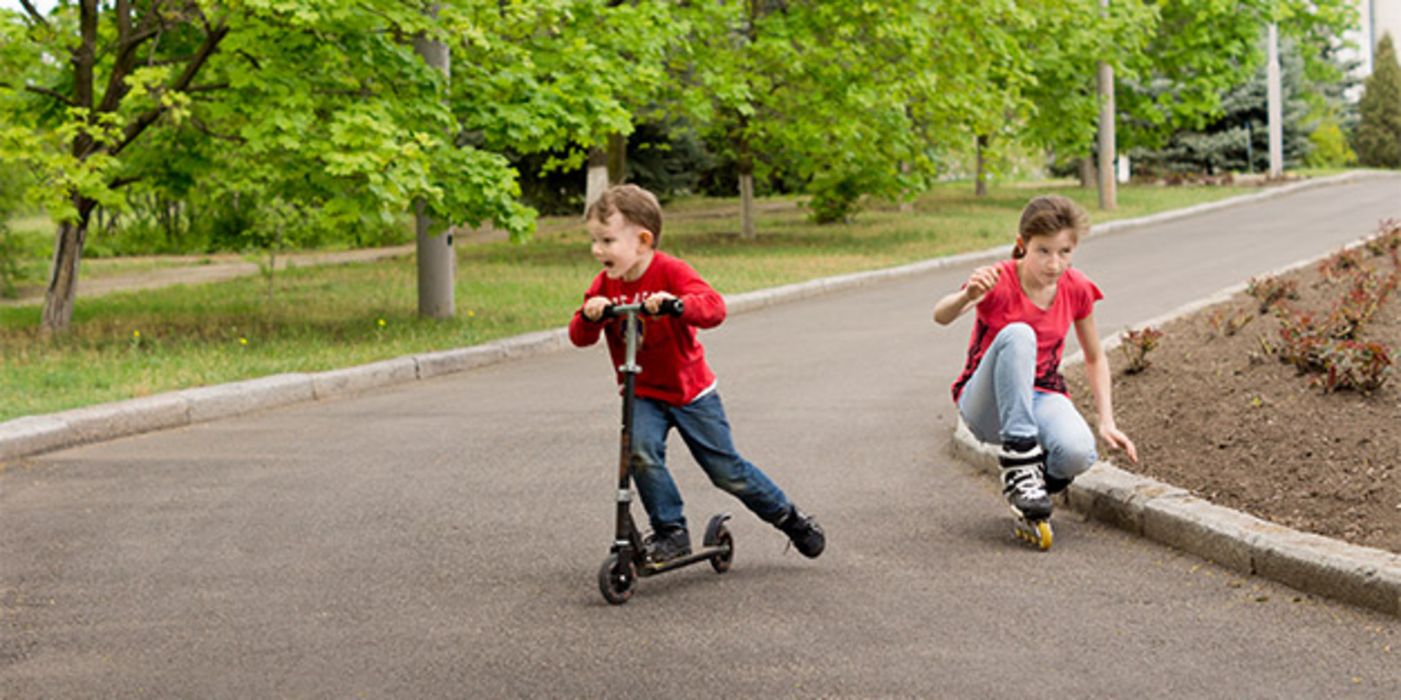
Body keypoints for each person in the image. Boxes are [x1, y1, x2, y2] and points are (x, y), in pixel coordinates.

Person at [569, 184, 825, 562]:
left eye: (606, 240)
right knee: (640, 453)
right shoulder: (605, 285)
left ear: (643, 241)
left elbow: (713, 308)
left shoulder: (670, 271)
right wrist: (590, 315)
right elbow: (579, 336)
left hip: (691, 393)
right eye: (594, 240)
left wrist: (676, 306)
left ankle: (789, 518)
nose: (597, 250)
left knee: (726, 472)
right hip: (642, 393)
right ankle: (671, 531)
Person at [933, 194, 1138, 522]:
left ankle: (1031, 484)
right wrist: (967, 295)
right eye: (1043, 251)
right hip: (986, 404)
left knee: (1078, 453)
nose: (1054, 264)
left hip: (1041, 393)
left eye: (1064, 252)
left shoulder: (1076, 287)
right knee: (1019, 334)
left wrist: (1107, 421)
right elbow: (940, 315)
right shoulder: (998, 279)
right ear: (1022, 244)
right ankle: (1019, 458)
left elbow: (1095, 356)